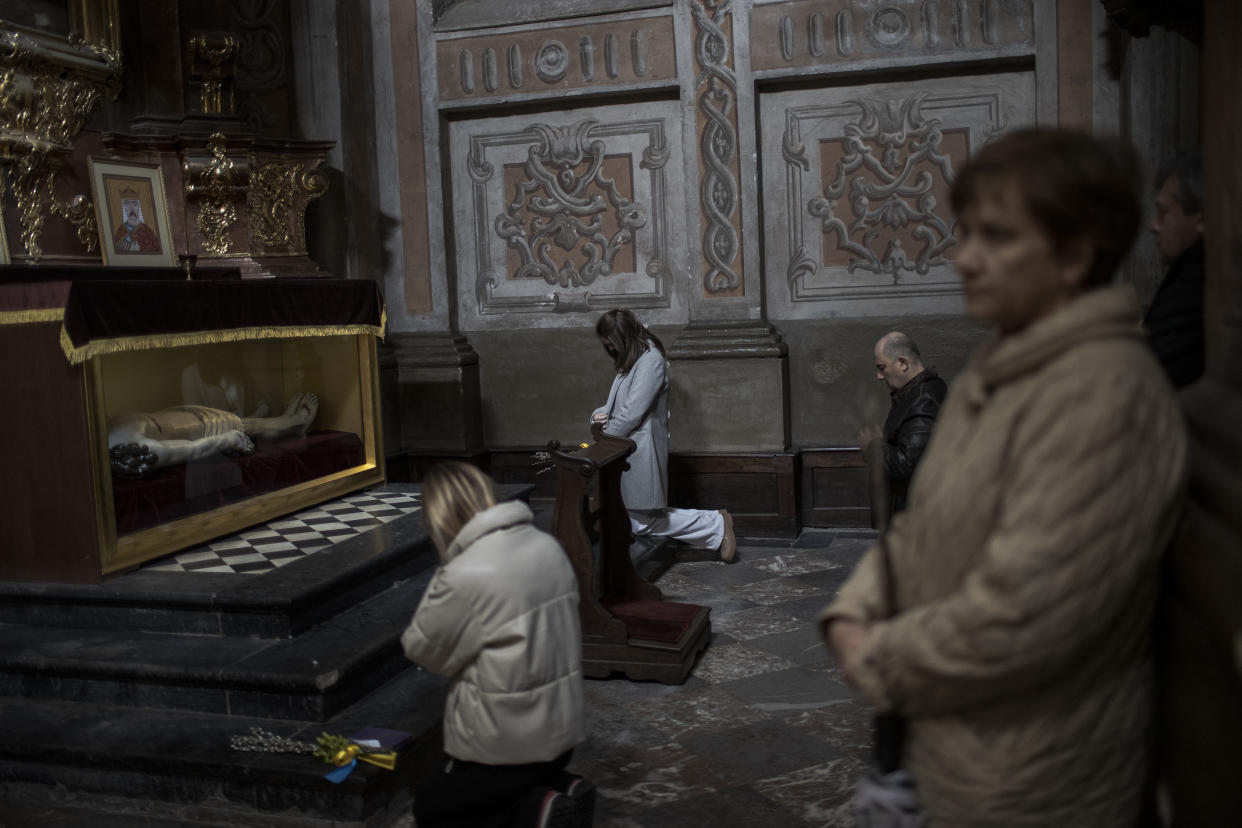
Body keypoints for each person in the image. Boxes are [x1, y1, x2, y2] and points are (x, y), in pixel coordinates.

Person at [820, 128, 1187, 826]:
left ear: (1074, 253)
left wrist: (881, 654)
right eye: (965, 233)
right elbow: (924, 518)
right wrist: (853, 607)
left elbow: (1028, 612)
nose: (962, 257)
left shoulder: (1106, 394)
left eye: (996, 236)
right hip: (952, 751)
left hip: (1033, 778)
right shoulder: (999, 365)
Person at [401, 462, 593, 828]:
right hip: (561, 732)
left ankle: (538, 809)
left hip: (505, 747)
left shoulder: (467, 572)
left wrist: (447, 572)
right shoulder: (545, 545)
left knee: (432, 806)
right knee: (479, 796)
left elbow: (425, 650)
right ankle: (559, 786)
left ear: (438, 515)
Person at [592, 308, 736, 562]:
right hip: (626, 449)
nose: (608, 347)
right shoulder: (633, 358)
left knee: (642, 522)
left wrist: (604, 437)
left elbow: (632, 413)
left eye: (610, 341)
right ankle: (715, 526)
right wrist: (597, 416)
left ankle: (715, 523)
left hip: (638, 450)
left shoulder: (650, 361)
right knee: (635, 518)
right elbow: (615, 405)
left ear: (623, 337)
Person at [857, 331, 947, 523]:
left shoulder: (924, 399)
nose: (879, 376)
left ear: (902, 363)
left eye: (882, 368)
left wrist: (874, 445)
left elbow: (908, 463)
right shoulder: (917, 392)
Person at [1145, 149, 1205, 388]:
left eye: (1163, 213)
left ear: (1201, 220)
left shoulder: (1196, 288)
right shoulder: (1191, 273)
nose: (1153, 226)